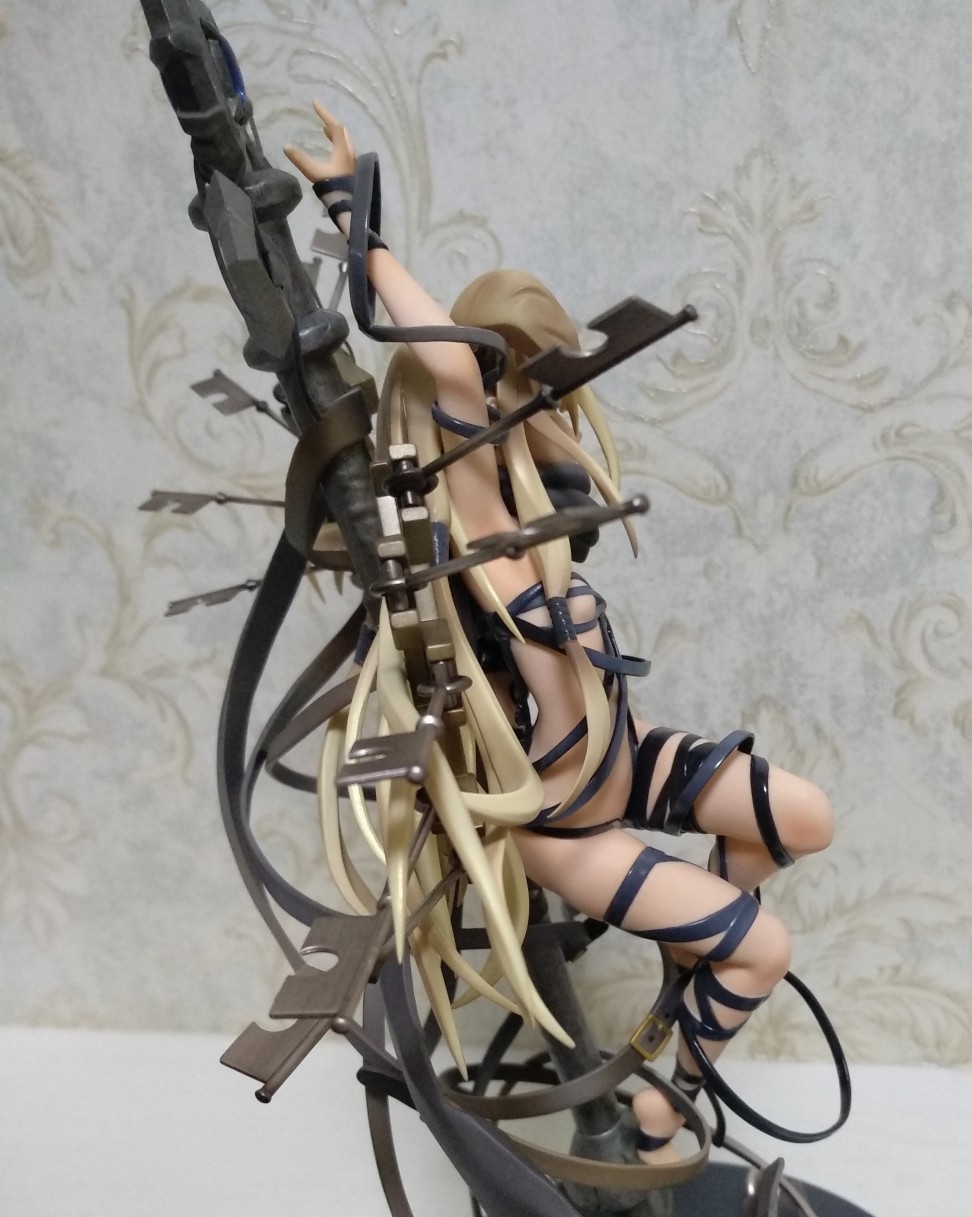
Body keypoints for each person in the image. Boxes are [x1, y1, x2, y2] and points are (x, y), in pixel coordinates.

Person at [285, 104, 835, 1162]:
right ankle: (670, 1098)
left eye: (546, 374)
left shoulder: (537, 500)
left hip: (632, 758)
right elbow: (445, 354)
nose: (540, 396)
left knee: (804, 817)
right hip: (569, 823)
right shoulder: (471, 526)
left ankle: (693, 968)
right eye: (520, 375)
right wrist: (355, 218)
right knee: (762, 949)